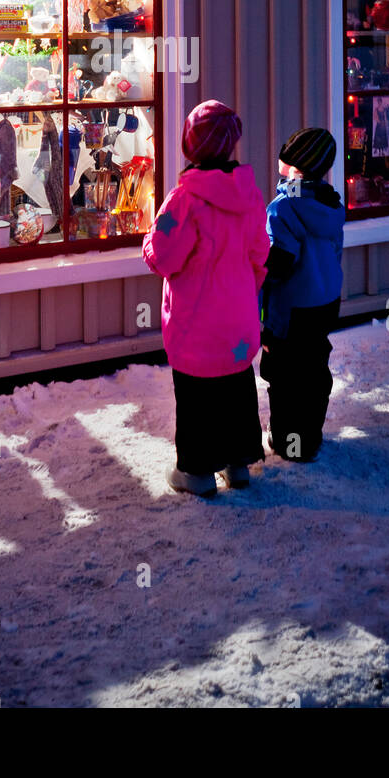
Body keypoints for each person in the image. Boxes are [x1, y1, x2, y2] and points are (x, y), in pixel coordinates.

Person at [143, 100, 270, 497]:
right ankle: (238, 463)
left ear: (188, 145)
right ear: (232, 145)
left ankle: (196, 470)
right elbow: (260, 253)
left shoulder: (183, 200)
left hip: (196, 324)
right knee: (236, 387)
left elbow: (163, 256)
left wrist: (149, 240)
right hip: (238, 320)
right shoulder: (248, 196)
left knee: (197, 396)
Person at [260, 127, 345, 462]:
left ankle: (290, 444)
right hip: (325, 301)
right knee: (313, 369)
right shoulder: (329, 203)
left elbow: (278, 263)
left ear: (294, 163)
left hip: (292, 306)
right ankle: (310, 436)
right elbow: (335, 250)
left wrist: (258, 279)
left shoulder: (284, 208)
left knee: (284, 376)